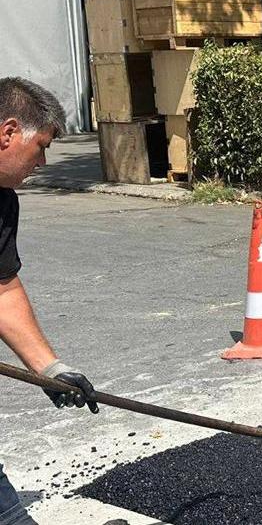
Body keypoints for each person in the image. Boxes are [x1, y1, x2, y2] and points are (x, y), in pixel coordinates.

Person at [0, 77, 99, 524]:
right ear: (7, 132)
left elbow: (1, 288)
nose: (43, 161)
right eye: (41, 146)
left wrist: (49, 369)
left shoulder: (2, 203)